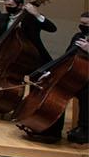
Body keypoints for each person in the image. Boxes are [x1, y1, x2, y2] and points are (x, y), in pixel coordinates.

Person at [22, 14, 89, 143]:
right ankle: (50, 129)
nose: (82, 27)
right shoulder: (78, 36)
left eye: (86, 25)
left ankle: (85, 129)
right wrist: (50, 71)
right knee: (55, 88)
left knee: (86, 94)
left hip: (86, 80)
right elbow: (67, 57)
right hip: (76, 75)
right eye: (81, 23)